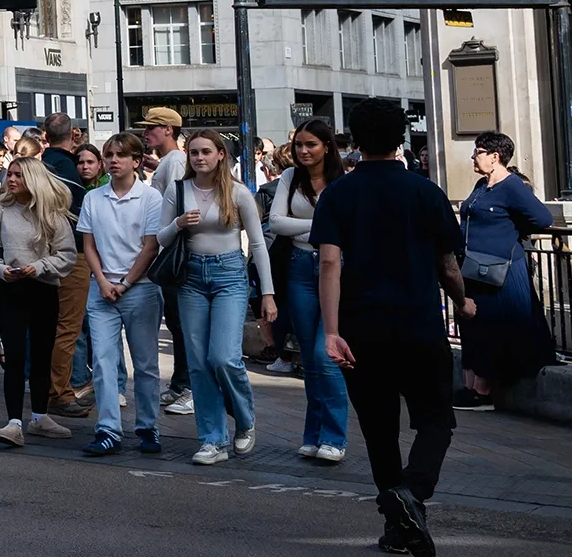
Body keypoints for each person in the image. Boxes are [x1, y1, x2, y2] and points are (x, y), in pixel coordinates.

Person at [314, 98, 469, 557]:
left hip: (361, 326)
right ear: (401, 137)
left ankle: (397, 524)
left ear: (355, 140)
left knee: (380, 429)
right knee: (436, 418)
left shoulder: (338, 194)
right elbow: (448, 265)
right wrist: (463, 301)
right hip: (418, 322)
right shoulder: (425, 192)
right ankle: (413, 491)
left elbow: (328, 263)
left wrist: (330, 330)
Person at [158, 130, 276, 466]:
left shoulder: (238, 193)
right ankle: (212, 439)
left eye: (206, 152)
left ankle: (244, 417)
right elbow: (161, 238)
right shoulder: (178, 190)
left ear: (220, 155)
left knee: (224, 357)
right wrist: (179, 223)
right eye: (193, 152)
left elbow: (257, 245)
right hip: (191, 277)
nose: (199, 158)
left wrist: (267, 293)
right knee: (198, 363)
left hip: (229, 276)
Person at [0, 156, 78, 447]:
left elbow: (67, 255)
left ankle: (40, 416)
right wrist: (0, 269)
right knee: (15, 356)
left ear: (32, 178)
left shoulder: (52, 213)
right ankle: (13, 422)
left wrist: (41, 266)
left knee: (43, 354)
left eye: (19, 175)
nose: (11, 180)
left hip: (44, 288)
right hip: (11, 287)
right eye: (9, 174)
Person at [265, 118, 350, 462]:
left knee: (324, 354)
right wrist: (323, 226)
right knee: (309, 360)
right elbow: (276, 223)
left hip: (336, 268)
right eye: (299, 145)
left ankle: (335, 437)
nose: (303, 151)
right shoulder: (289, 178)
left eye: (310, 144)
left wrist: (306, 228)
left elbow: (346, 227)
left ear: (326, 146)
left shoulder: (343, 183)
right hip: (300, 267)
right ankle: (313, 435)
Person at [78, 133, 165, 457]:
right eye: (109, 155)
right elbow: (88, 244)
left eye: (121, 155)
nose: (114, 161)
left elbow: (150, 246)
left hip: (140, 290)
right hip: (101, 290)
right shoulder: (94, 198)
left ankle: (147, 426)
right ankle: (108, 429)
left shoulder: (151, 198)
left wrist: (126, 283)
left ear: (136, 161)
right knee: (102, 361)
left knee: (145, 364)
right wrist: (101, 280)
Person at [456, 131, 558, 410]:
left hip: (499, 270)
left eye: (478, 152)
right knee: (473, 324)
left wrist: (512, 232)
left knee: (492, 326)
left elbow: (542, 218)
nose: (473, 157)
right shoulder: (481, 184)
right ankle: (471, 387)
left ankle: (485, 391)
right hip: (474, 267)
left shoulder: (512, 186)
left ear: (494, 156)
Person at [140, 107, 194, 417]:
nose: (146, 133)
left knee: (181, 323)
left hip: (173, 253)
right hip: (169, 251)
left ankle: (186, 385)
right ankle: (180, 383)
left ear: (169, 131)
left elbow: (174, 206)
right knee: (176, 323)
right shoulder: (169, 162)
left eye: (152, 128)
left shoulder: (175, 163)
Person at [39, 113, 92, 418]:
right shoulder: (67, 168)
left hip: (42, 254)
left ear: (45, 135)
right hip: (71, 253)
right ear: (73, 134)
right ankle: (59, 393)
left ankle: (50, 388)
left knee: (48, 324)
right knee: (67, 326)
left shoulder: (41, 167)